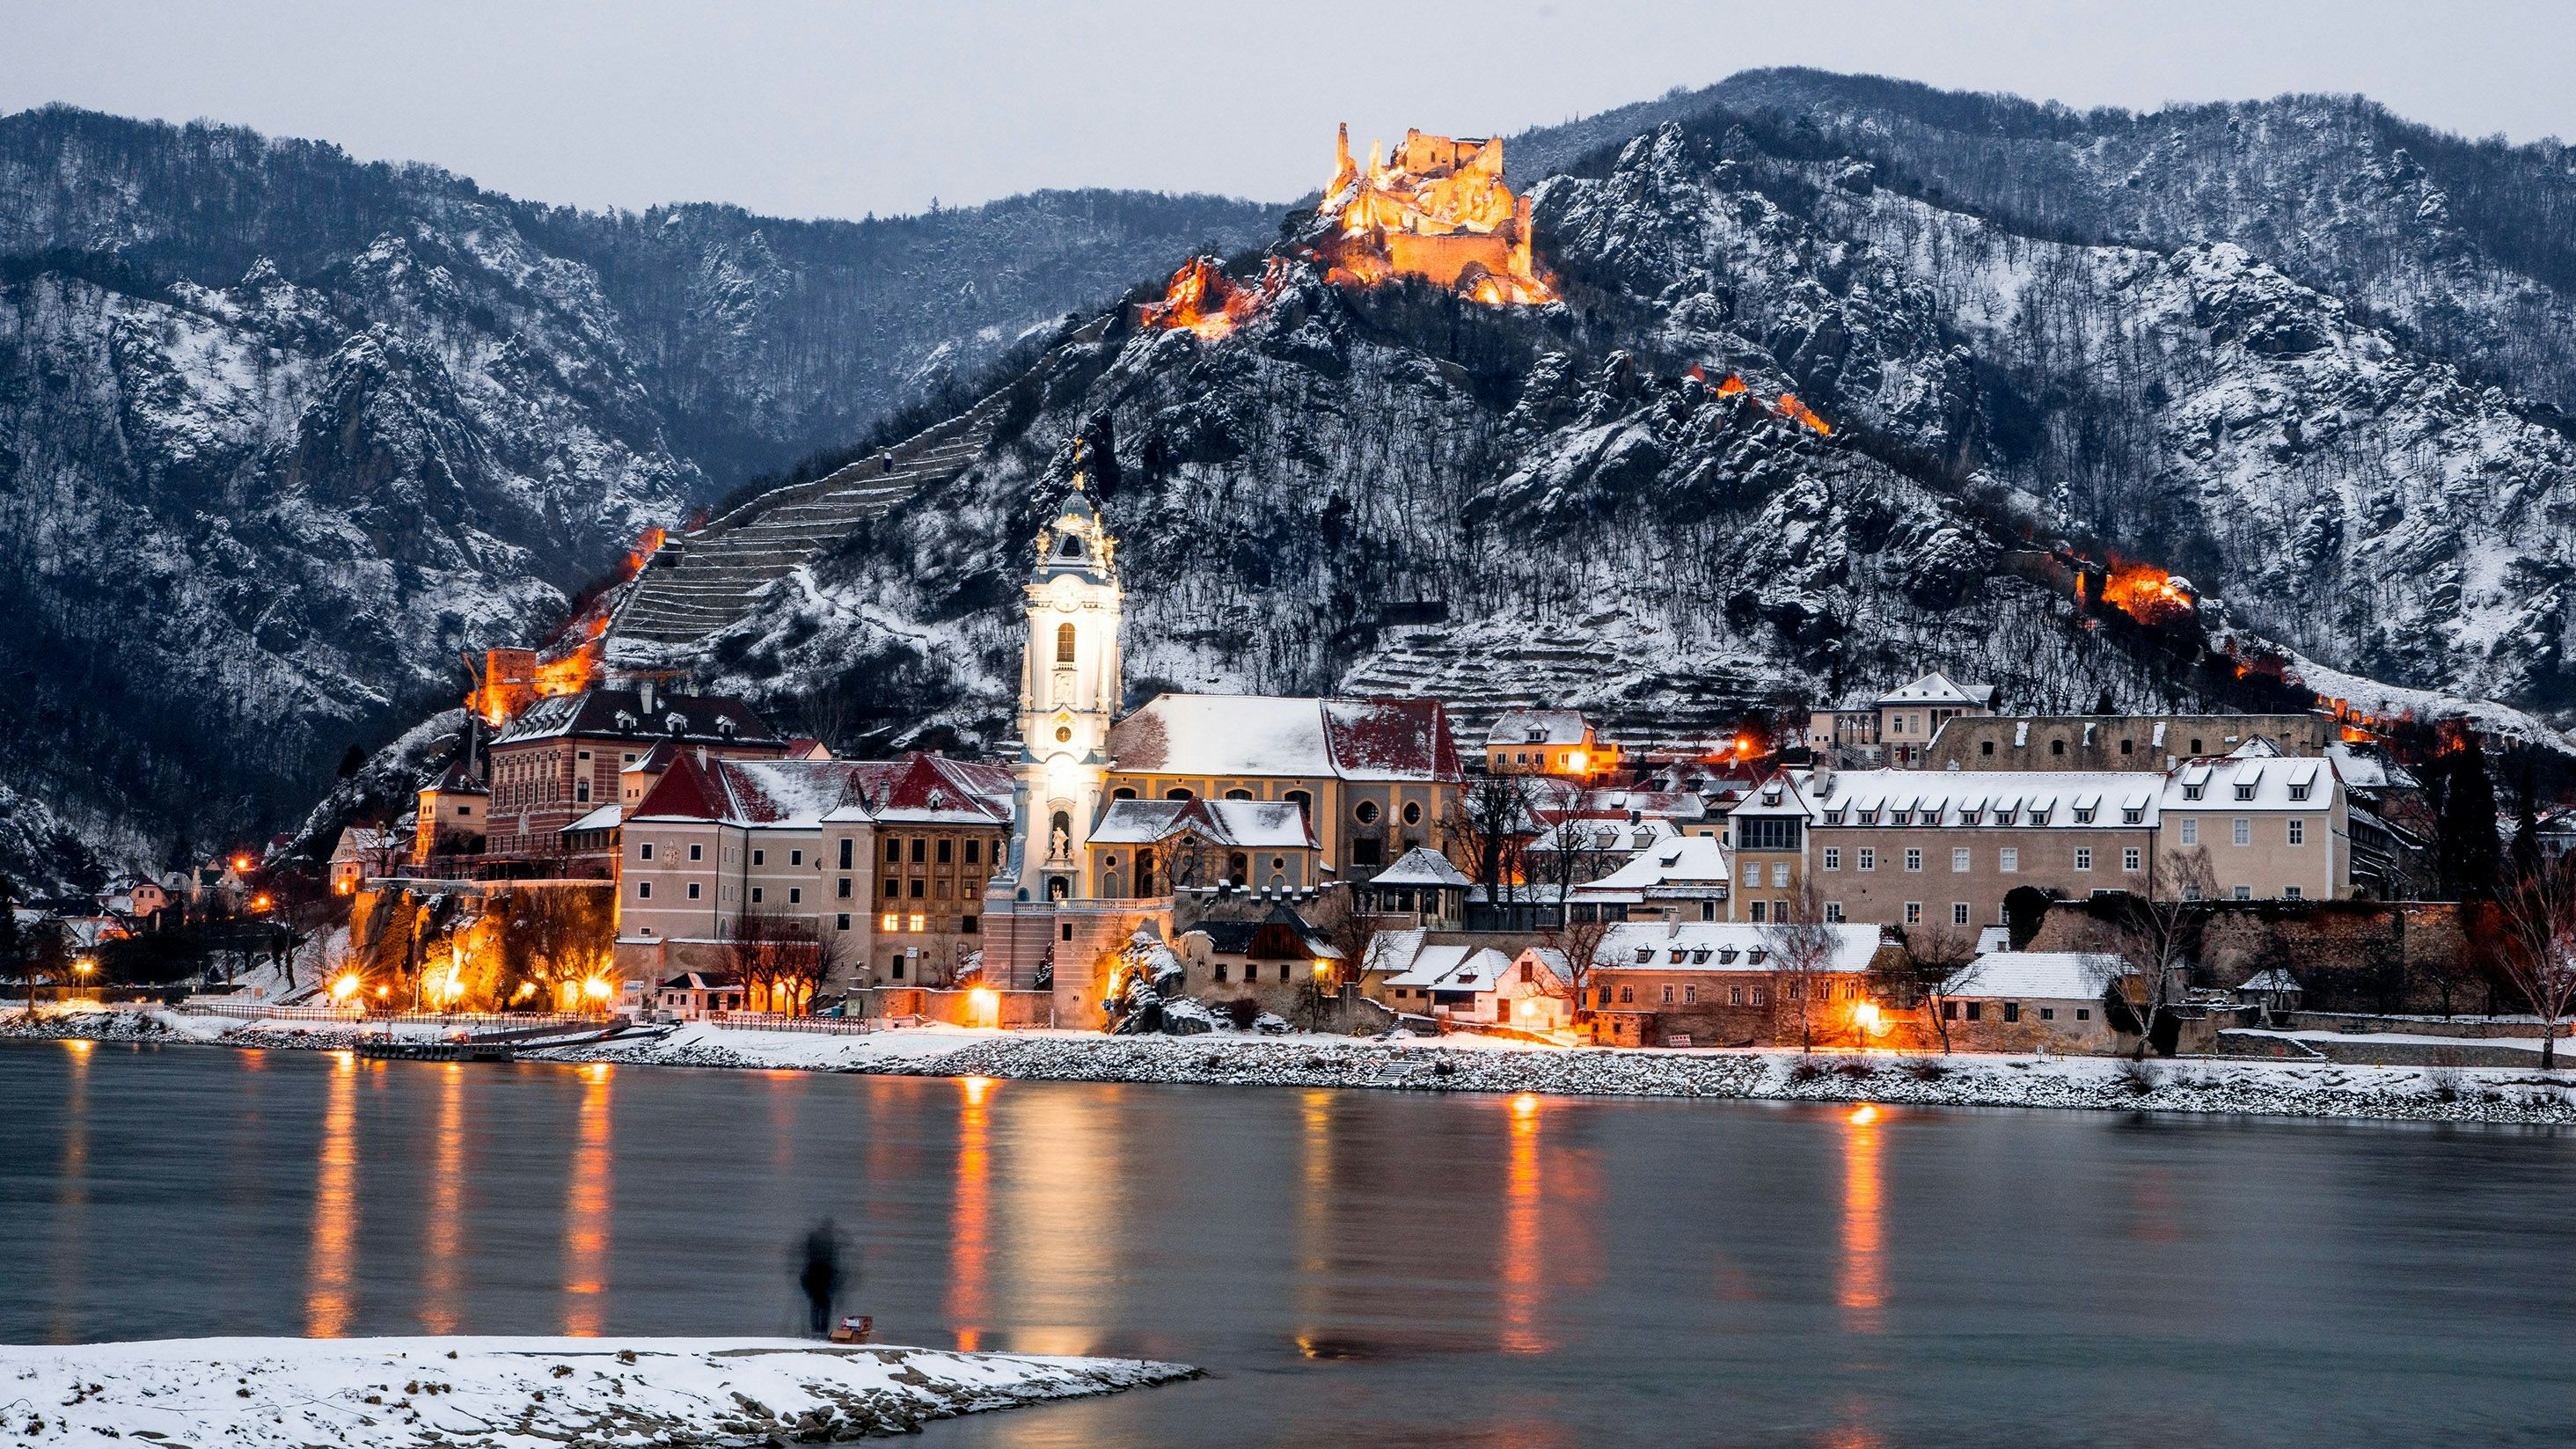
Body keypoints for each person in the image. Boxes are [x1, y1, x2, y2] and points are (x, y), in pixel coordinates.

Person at [796, 1219, 846, 1337]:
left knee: (817, 1305)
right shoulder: (827, 1245)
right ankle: (821, 1331)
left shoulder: (814, 1242)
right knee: (823, 1305)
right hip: (821, 1278)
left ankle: (817, 1330)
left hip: (814, 1278)